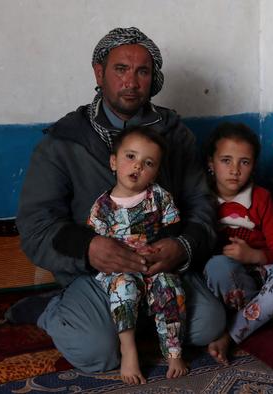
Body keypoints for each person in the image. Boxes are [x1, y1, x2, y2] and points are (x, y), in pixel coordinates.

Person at [9, 27, 225, 374]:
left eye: (142, 71)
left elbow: (201, 204)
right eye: (121, 69)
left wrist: (182, 246)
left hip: (161, 269)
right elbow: (36, 225)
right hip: (97, 275)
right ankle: (51, 310)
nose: (132, 81)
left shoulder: (174, 134)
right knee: (97, 355)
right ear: (99, 73)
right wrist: (90, 248)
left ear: (153, 78)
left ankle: (140, 323)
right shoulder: (66, 141)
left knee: (210, 326)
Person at [202, 123, 273, 364]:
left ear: (253, 166)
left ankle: (234, 333)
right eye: (226, 160)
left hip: (266, 273)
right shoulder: (203, 199)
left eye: (244, 162)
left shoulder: (261, 197)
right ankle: (267, 314)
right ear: (211, 163)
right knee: (217, 267)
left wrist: (253, 256)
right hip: (235, 282)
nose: (235, 170)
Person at [84, 127, 187, 383]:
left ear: (156, 171)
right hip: (119, 270)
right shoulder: (102, 207)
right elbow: (96, 244)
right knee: (124, 288)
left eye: (148, 163)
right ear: (113, 161)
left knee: (171, 286)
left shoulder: (159, 197)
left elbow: (173, 229)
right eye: (130, 157)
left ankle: (173, 351)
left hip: (152, 265)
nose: (138, 167)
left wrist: (162, 246)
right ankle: (128, 348)